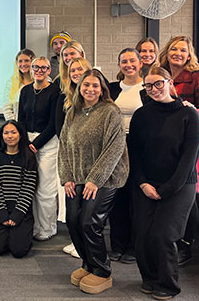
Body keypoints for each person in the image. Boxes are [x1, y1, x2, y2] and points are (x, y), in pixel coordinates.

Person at [129, 66, 199, 300]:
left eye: (158, 83)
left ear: (170, 83)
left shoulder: (189, 115)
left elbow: (188, 160)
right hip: (146, 183)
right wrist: (142, 184)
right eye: (148, 86)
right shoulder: (141, 115)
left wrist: (166, 189)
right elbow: (135, 154)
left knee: (163, 234)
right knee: (141, 235)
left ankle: (168, 285)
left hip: (180, 184)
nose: (153, 89)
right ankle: (149, 279)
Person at [58, 69, 128, 295]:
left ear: (102, 89)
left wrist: (95, 180)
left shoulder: (110, 111)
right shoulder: (72, 112)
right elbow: (64, 147)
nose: (90, 89)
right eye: (86, 85)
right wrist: (67, 177)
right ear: (79, 88)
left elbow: (114, 149)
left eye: (95, 85)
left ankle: (102, 271)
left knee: (89, 222)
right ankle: (88, 264)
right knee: (73, 220)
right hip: (77, 177)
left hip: (106, 179)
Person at [158, 35, 199, 265]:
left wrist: (192, 112)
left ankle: (186, 244)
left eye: (182, 50)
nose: (177, 53)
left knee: (189, 197)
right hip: (163, 144)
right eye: (173, 49)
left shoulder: (198, 76)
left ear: (189, 54)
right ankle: (168, 241)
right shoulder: (160, 75)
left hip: (189, 143)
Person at [107, 48, 148, 264]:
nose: (129, 65)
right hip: (116, 146)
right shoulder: (113, 89)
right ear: (119, 65)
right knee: (117, 197)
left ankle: (133, 247)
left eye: (133, 60)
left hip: (138, 146)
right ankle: (117, 244)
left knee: (136, 198)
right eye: (124, 61)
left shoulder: (148, 87)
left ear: (141, 63)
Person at [17, 57, 60, 242]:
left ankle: (48, 228)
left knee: (45, 189)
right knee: (31, 186)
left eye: (44, 67)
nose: (39, 70)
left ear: (49, 70)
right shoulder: (25, 90)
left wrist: (36, 144)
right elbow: (21, 119)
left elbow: (54, 123)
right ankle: (36, 225)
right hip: (28, 141)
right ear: (31, 69)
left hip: (48, 142)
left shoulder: (55, 91)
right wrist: (25, 143)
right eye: (36, 67)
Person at [55, 56, 92, 259]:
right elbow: (63, 130)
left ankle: (86, 247)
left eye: (79, 69)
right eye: (72, 71)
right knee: (73, 208)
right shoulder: (68, 97)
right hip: (71, 156)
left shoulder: (96, 96)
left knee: (88, 210)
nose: (76, 73)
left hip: (91, 159)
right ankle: (77, 242)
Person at [0, 120, 37, 258]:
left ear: (20, 135)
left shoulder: (28, 156)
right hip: (0, 208)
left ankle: (18, 233)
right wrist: (2, 213)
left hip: (21, 209)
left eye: (13, 132)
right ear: (2, 136)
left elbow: (28, 188)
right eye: (6, 133)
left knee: (19, 251)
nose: (10, 136)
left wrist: (16, 214)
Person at [3, 49, 35, 121]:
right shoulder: (11, 82)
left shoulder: (44, 81)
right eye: (20, 61)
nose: (23, 64)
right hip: (17, 127)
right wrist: (15, 125)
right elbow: (7, 108)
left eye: (26, 61)